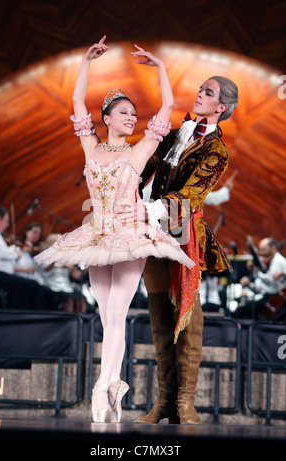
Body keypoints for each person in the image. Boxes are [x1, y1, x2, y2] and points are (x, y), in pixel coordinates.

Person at [35, 36, 194, 423]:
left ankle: (100, 391)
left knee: (117, 314)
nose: (130, 118)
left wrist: (159, 67)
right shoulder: (91, 148)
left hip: (128, 236)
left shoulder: (138, 151)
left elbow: (168, 107)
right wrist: (86, 62)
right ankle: (113, 384)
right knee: (106, 317)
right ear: (106, 118)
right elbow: (75, 106)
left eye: (133, 115)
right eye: (123, 113)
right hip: (95, 237)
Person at [117, 75, 238, 425]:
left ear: (221, 108)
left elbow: (192, 194)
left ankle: (186, 403)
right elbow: (142, 168)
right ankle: (164, 402)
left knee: (186, 320)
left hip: (184, 235)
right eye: (201, 89)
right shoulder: (177, 133)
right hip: (153, 231)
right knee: (159, 317)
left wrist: (149, 208)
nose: (200, 94)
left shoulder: (217, 150)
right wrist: (117, 182)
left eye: (208, 93)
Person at [0, 206, 59, 311]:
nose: (7, 225)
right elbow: (2, 254)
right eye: (7, 221)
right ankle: (18, 316)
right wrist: (17, 254)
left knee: (36, 287)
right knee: (26, 285)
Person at [236, 237, 286, 319]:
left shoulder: (278, 260)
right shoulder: (272, 261)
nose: (261, 253)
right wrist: (250, 282)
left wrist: (257, 271)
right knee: (244, 309)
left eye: (263, 249)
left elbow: (270, 281)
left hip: (273, 298)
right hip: (267, 297)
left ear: (273, 247)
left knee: (243, 311)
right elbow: (262, 285)